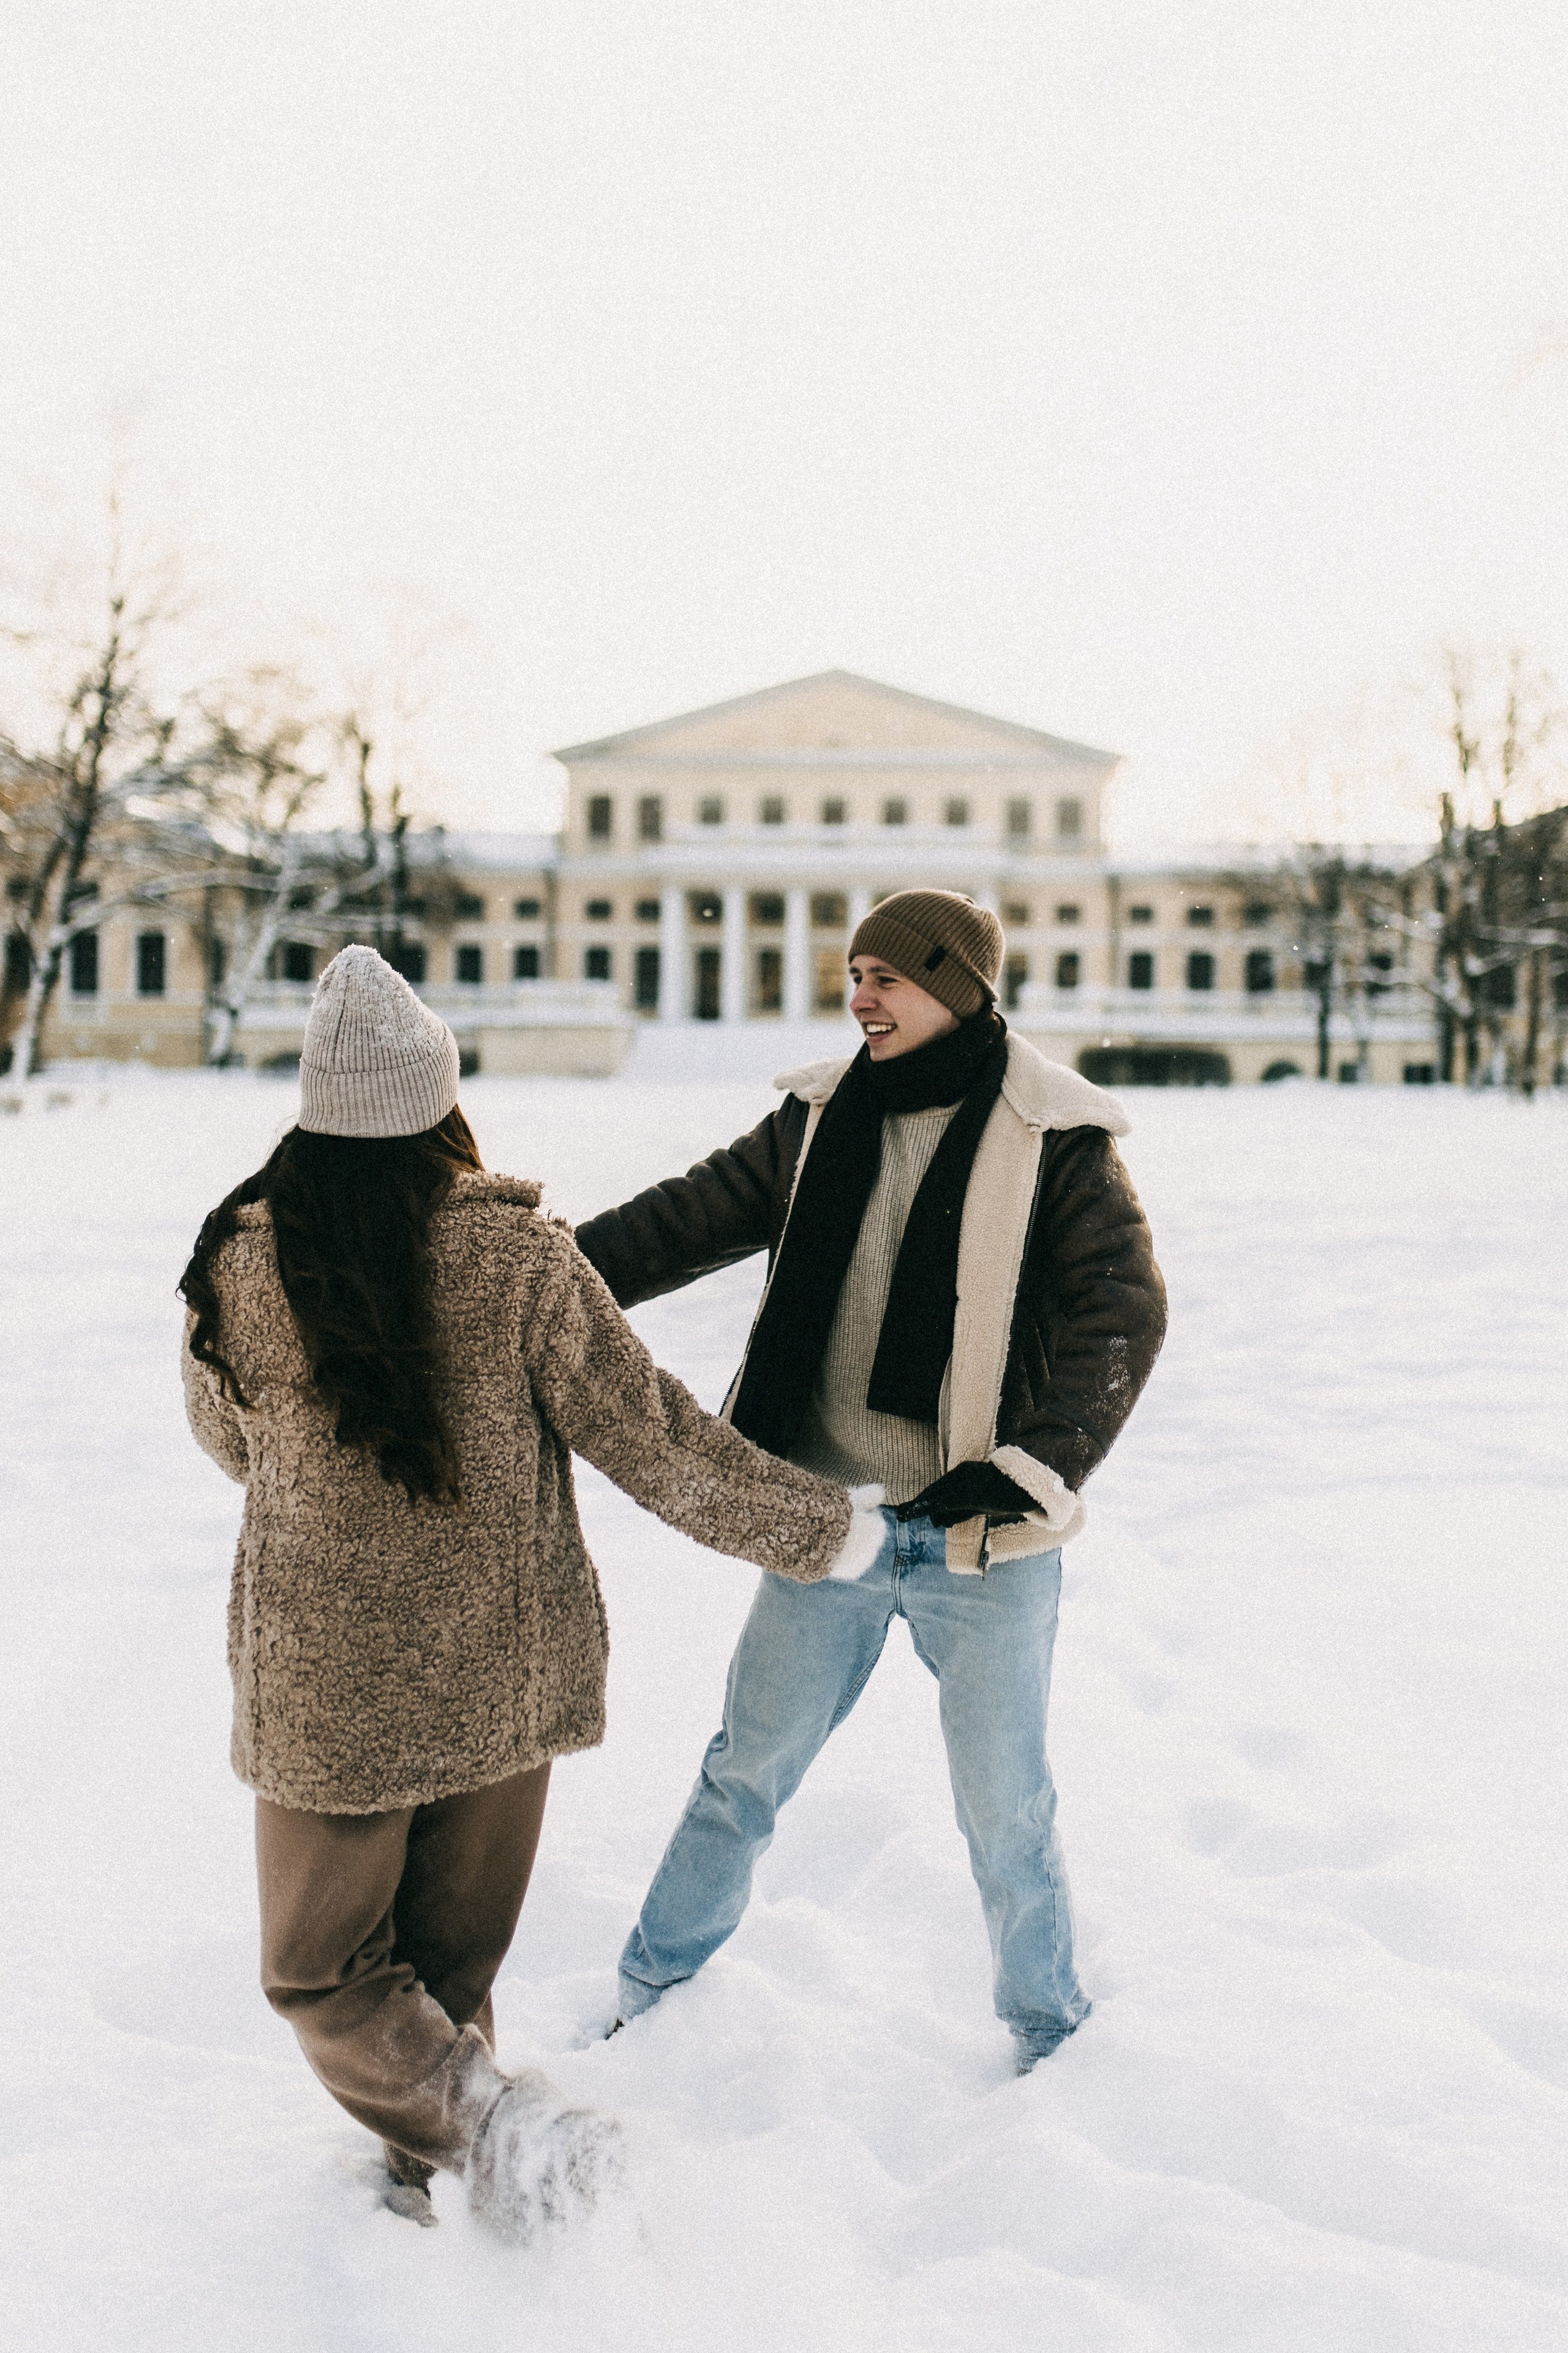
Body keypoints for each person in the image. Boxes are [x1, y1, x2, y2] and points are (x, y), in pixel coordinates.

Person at [178, 947, 881, 2241]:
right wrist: (824, 1527)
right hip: (501, 1669)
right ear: (441, 1104)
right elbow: (656, 1439)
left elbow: (226, 1439)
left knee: (323, 1971)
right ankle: (465, 2199)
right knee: (445, 1977)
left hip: (331, 1689)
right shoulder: (518, 1258)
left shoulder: (241, 1259)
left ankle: (490, 2153)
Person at [575, 889, 1167, 2071]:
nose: (861, 997)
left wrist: (1031, 1465)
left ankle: (1050, 2038)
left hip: (982, 1537)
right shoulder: (818, 1117)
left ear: (955, 986)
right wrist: (545, 1279)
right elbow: (681, 1222)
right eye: (854, 975)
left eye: (886, 978)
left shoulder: (1055, 1132)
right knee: (742, 1772)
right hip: (829, 1520)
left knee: (1008, 1811)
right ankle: (649, 1993)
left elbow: (1123, 1309)